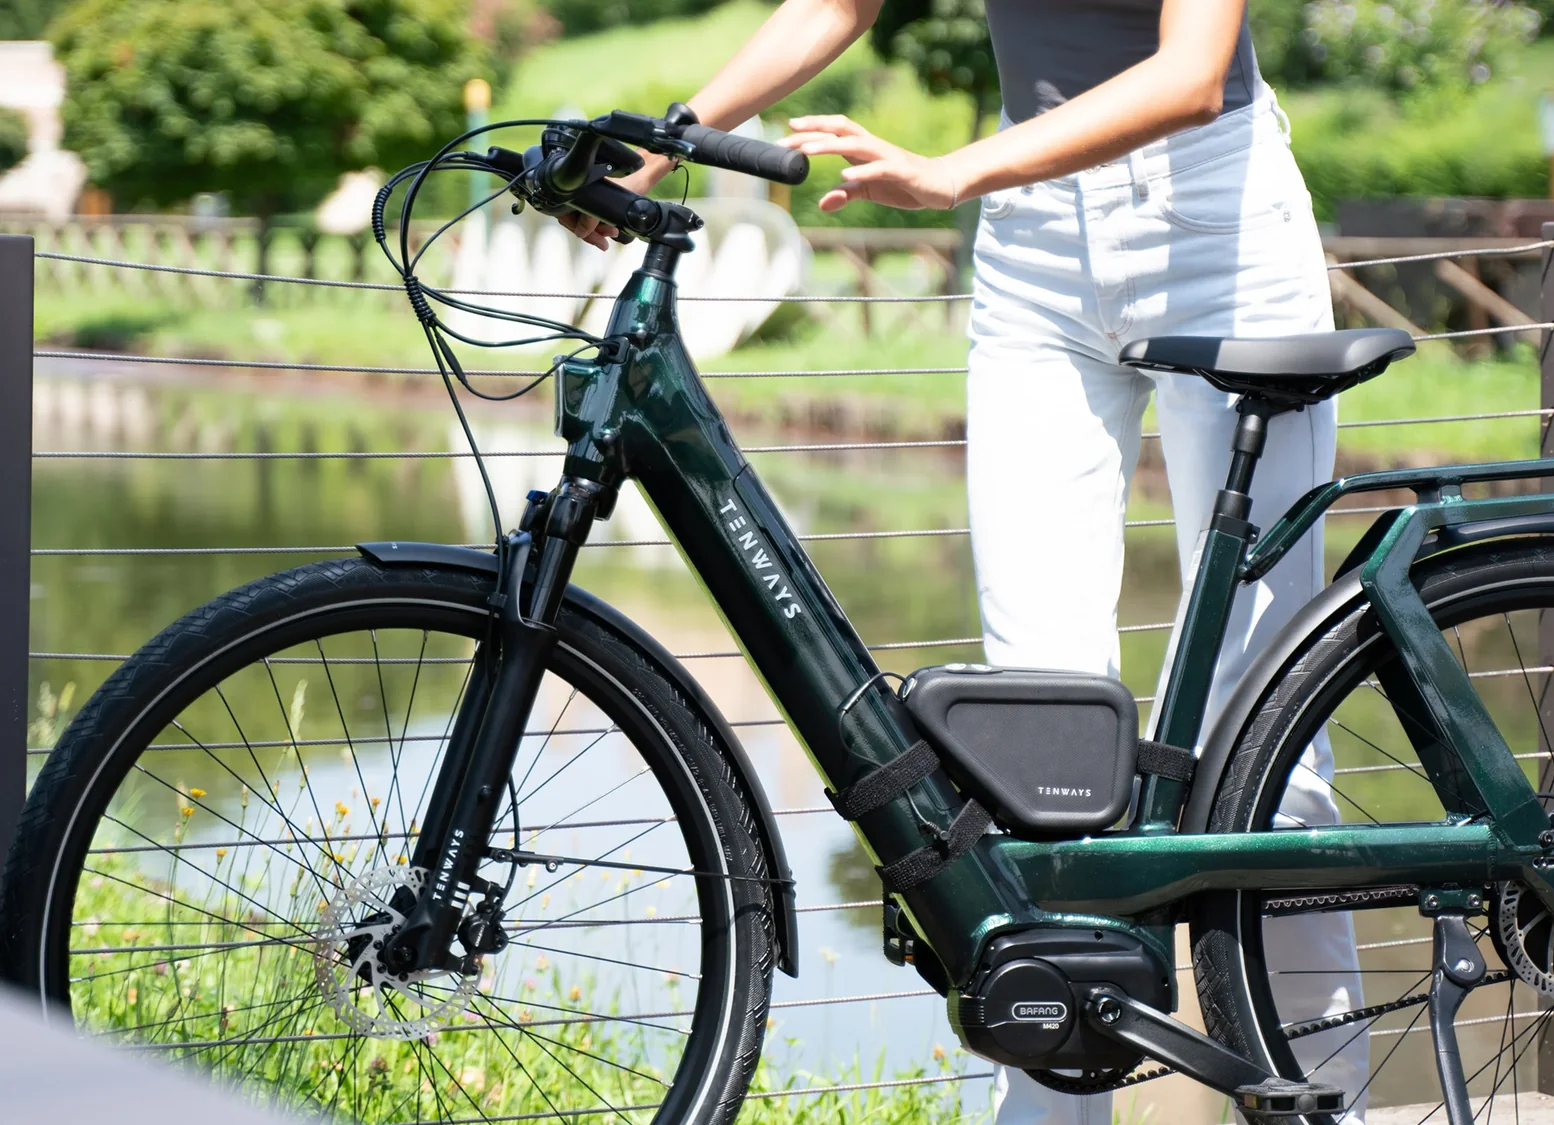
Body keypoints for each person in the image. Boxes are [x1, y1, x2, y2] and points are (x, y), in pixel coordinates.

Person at [563, 2, 1368, 1122]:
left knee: (1269, 744)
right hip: (1034, 236)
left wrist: (948, 175)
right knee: (1030, 760)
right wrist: (673, 129)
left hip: (1209, 219)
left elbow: (1190, 72)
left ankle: (1326, 1106)